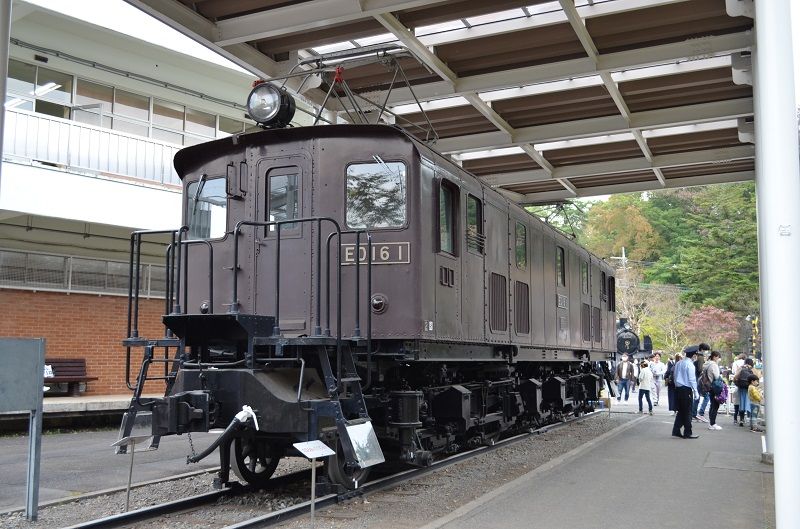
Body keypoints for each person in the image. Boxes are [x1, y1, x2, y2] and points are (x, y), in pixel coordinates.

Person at [672, 345, 700, 439]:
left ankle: (676, 430)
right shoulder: (690, 364)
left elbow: (675, 376)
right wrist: (696, 391)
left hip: (678, 388)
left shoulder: (679, 363)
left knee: (681, 411)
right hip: (686, 389)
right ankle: (687, 432)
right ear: (694, 355)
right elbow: (692, 379)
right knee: (687, 412)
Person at [702, 351, 723, 430]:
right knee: (715, 405)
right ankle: (712, 423)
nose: (719, 359)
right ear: (715, 357)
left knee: (712, 405)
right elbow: (717, 376)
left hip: (709, 386)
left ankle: (711, 423)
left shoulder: (706, 364)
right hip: (715, 387)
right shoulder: (713, 365)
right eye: (718, 357)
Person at [692, 343, 710, 422]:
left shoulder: (696, 356)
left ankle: (694, 414)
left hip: (696, 378)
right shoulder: (701, 358)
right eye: (706, 350)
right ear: (702, 349)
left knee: (697, 397)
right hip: (700, 379)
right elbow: (700, 369)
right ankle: (700, 413)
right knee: (706, 397)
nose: (706, 352)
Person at [734, 358, 755, 427]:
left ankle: (741, 420)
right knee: (750, 403)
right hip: (751, 389)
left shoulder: (741, 368)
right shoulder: (753, 369)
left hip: (742, 388)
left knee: (742, 403)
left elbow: (735, 377)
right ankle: (751, 420)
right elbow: (758, 377)